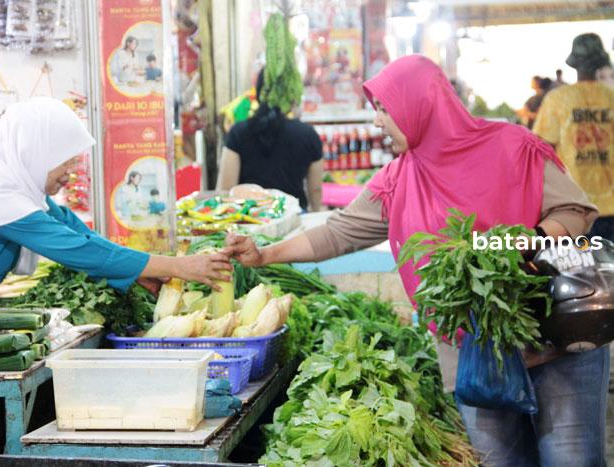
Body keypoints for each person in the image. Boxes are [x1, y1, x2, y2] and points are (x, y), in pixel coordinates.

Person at [224, 55, 607, 466]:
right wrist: (264, 255)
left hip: (553, 337)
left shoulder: (512, 147)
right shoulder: (398, 180)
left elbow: (576, 211)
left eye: (385, 108)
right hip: (473, 356)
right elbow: (336, 233)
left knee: (572, 460)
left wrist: (520, 243)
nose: (377, 122)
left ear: (420, 104)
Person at [0, 97, 232, 317]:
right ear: (34, 152)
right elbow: (76, 249)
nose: (67, 175)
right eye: (62, 164)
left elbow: (72, 228)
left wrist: (137, 273)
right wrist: (176, 266)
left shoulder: (14, 184)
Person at [534, 33, 614, 241]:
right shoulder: (611, 97)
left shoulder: (558, 99)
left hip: (575, 210)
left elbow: (541, 150)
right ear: (600, 63)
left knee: (579, 272)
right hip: (612, 205)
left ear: (574, 64)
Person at [216, 70, 323, 212]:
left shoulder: (238, 132)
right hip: (293, 217)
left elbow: (226, 188)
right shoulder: (308, 134)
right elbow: (315, 189)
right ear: (291, 95)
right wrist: (315, 212)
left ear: (258, 92)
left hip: (250, 220)